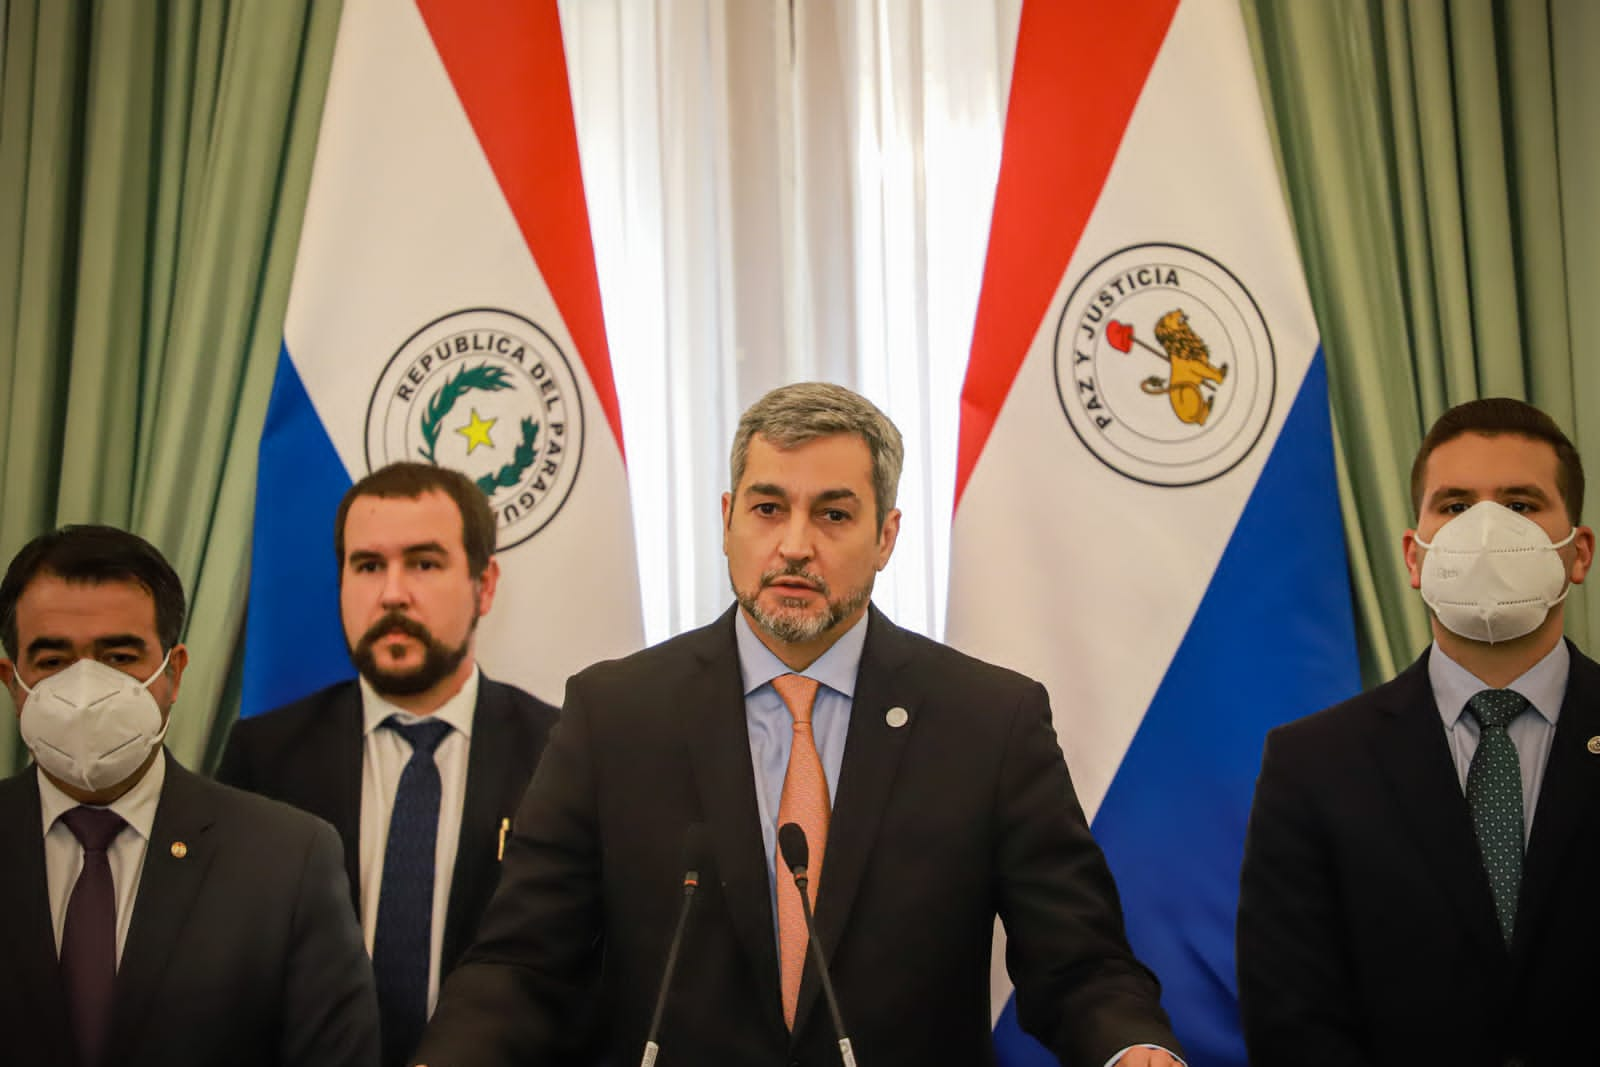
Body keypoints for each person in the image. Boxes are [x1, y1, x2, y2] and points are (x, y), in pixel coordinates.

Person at [412, 383, 1182, 1066]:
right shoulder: (615, 716)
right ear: (727, 520)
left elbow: (1080, 962)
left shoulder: (989, 723)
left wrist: (1130, 1046)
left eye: (834, 514)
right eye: (768, 507)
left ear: (886, 536)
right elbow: (522, 964)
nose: (793, 545)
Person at [1237, 397, 1600, 1065]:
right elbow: (1292, 1019)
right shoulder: (1312, 765)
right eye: (1456, 506)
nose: (1486, 529)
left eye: (1520, 504)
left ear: (1578, 551)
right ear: (1414, 554)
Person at [217, 462, 559, 1067]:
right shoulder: (263, 756)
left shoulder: (559, 754)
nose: (392, 593)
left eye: (424, 564)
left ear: (485, 585)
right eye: (368, 565)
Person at [0, 524, 379, 1067]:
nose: (85, 690)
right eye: (54, 661)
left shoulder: (289, 860)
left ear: (173, 674)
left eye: (120, 657)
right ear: (13, 680)